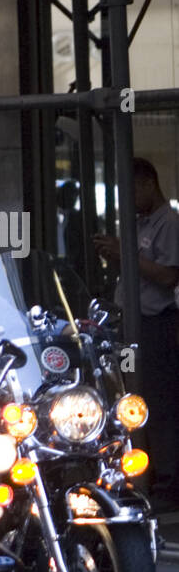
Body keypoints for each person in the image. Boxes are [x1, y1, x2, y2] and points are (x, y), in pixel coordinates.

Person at [94, 158, 179, 509]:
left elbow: (169, 276)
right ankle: (144, 472)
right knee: (133, 396)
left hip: (156, 325)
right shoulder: (141, 224)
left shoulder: (168, 223)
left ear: (147, 184)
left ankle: (168, 483)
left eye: (131, 190)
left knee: (159, 401)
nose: (128, 200)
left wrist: (126, 254)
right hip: (131, 323)